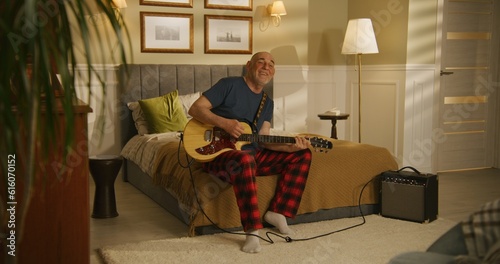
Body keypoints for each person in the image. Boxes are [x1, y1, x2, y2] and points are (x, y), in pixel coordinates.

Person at [188, 51, 313, 253]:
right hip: (216, 154)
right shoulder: (228, 85)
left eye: (271, 64)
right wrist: (225, 123)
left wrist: (290, 147)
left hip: (251, 154)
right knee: (244, 159)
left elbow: (263, 140)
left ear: (273, 72)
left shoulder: (267, 102)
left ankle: (278, 212)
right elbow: (195, 108)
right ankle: (253, 230)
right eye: (261, 62)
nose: (266, 67)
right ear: (249, 65)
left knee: (303, 155)